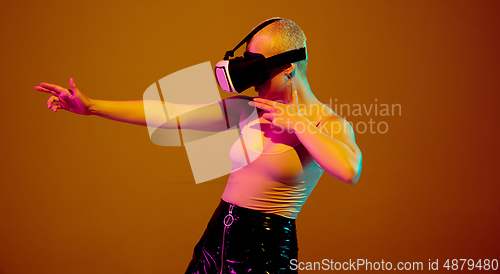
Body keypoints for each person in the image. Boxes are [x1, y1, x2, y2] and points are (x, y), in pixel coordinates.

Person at [34, 18, 362, 273]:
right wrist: (92, 107)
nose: (254, 83)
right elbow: (169, 114)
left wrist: (300, 124)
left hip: (265, 250)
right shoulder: (248, 109)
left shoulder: (325, 123)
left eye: (259, 71)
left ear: (289, 66)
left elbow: (349, 170)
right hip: (214, 241)